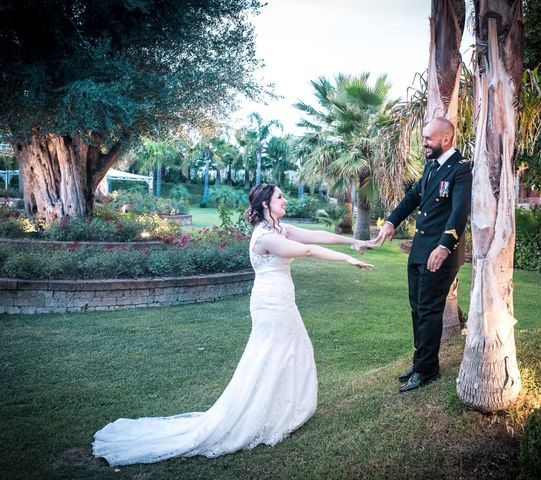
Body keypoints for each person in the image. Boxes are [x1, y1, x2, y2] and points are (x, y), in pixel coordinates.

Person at [93, 183, 373, 466]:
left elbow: (315, 235)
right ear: (265, 204)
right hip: (270, 304)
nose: (285, 200)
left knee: (289, 351)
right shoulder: (264, 237)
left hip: (283, 298)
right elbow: (308, 250)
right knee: (270, 355)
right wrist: (348, 258)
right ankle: (256, 414)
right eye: (280, 197)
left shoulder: (279, 227)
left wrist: (352, 241)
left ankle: (281, 409)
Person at [374, 117, 471, 393]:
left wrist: (444, 246)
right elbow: (412, 198)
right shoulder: (431, 167)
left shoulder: (461, 169)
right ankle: (420, 363)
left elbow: (459, 211)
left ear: (446, 139)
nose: (424, 142)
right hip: (419, 250)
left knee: (429, 310)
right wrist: (392, 221)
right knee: (417, 308)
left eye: (428, 138)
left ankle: (427, 370)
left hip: (441, 252)